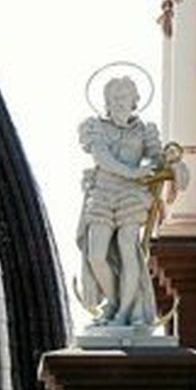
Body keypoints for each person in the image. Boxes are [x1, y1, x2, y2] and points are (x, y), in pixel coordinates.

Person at [75, 76, 163, 329]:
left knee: (128, 246)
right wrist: (135, 172)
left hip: (131, 196)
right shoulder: (95, 127)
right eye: (114, 98)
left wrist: (168, 163)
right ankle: (114, 303)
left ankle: (126, 311)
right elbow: (102, 158)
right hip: (102, 194)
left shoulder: (145, 131)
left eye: (124, 98)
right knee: (96, 255)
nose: (119, 103)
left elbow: (157, 160)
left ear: (135, 102)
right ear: (106, 102)